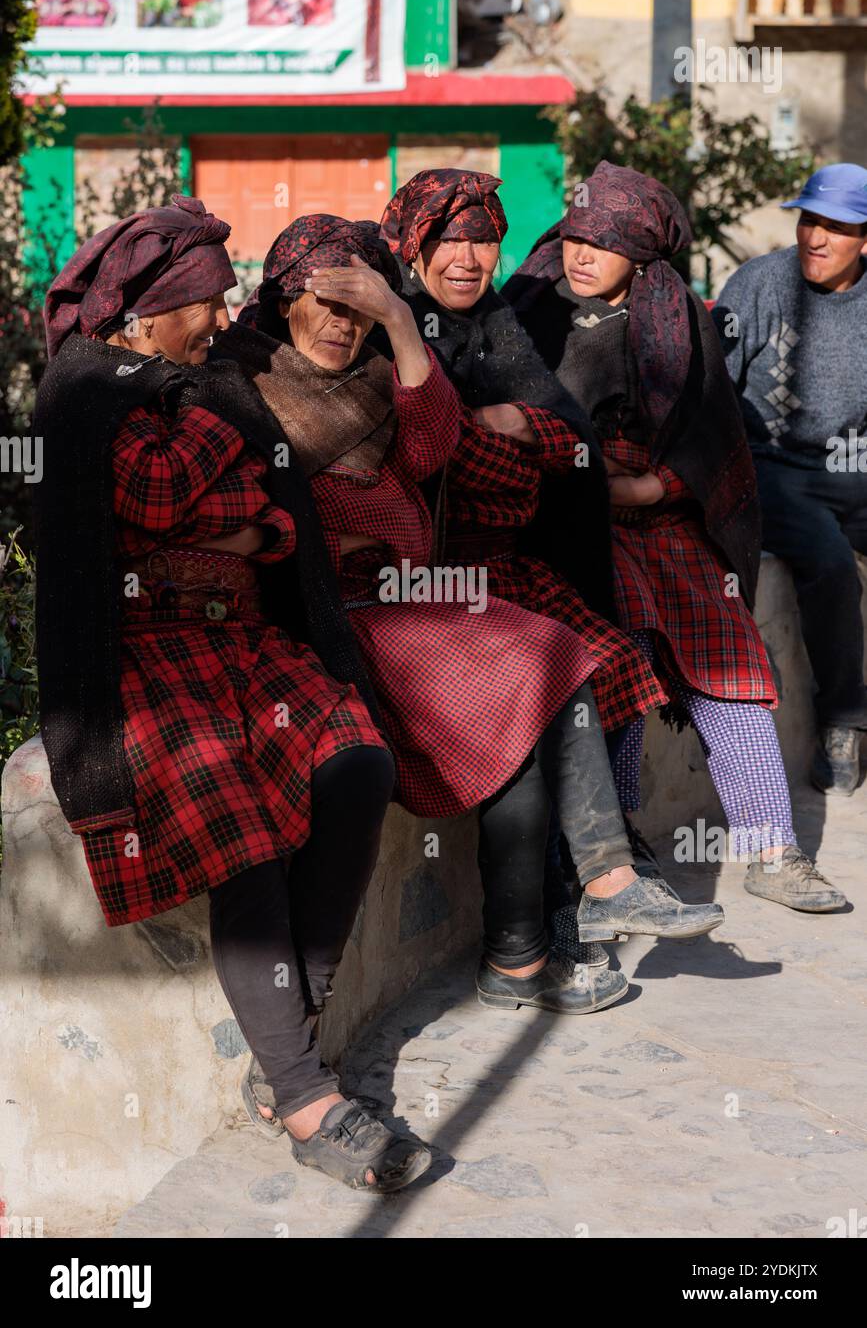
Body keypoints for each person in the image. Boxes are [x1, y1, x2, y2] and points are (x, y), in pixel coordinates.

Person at [221, 213, 724, 1046]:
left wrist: (395, 318)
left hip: (419, 597)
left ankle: (522, 957)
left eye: (361, 308)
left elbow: (432, 443)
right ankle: (594, 889)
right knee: (534, 652)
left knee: (530, 711)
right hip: (344, 611)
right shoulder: (248, 385)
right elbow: (254, 513)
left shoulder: (379, 375)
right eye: (329, 304)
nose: (344, 325)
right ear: (282, 302)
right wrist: (326, 541)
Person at [34, 195, 432, 1194]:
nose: (222, 322)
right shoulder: (85, 392)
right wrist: (217, 492)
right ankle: (304, 1096)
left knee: (357, 763)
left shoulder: (198, 384)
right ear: (152, 309)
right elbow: (158, 496)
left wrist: (237, 527)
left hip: (246, 639)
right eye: (206, 304)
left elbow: (275, 520)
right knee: (242, 836)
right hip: (144, 653)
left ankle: (286, 1032)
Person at [505, 160, 847, 916]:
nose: (581, 254)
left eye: (604, 242)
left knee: (730, 661)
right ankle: (622, 849)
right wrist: (591, 486)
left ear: (644, 252)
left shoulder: (681, 319)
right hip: (565, 524)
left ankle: (771, 848)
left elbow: (713, 439)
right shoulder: (528, 310)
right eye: (575, 236)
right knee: (622, 648)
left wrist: (656, 489)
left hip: (665, 521)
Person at [714, 162, 867, 798]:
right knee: (829, 564)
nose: (815, 237)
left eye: (835, 226)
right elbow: (709, 387)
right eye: (809, 221)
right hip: (772, 467)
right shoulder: (759, 284)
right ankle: (844, 720)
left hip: (856, 464)